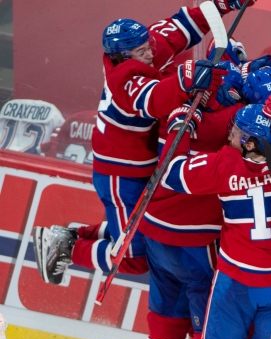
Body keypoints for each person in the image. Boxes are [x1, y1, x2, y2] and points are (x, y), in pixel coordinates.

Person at [31, 2, 247, 284]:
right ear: (121, 57)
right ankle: (69, 250)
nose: (150, 53)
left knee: (143, 231)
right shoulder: (124, 79)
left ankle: (71, 235)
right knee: (134, 258)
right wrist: (187, 79)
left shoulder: (145, 45)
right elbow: (154, 99)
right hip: (120, 176)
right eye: (141, 52)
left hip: (142, 165)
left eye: (148, 46)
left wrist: (221, 5)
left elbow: (183, 24)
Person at [159, 103, 271, 339]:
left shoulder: (224, 164)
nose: (228, 136)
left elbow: (170, 173)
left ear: (248, 143)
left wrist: (180, 125)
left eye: (235, 132)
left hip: (237, 280)